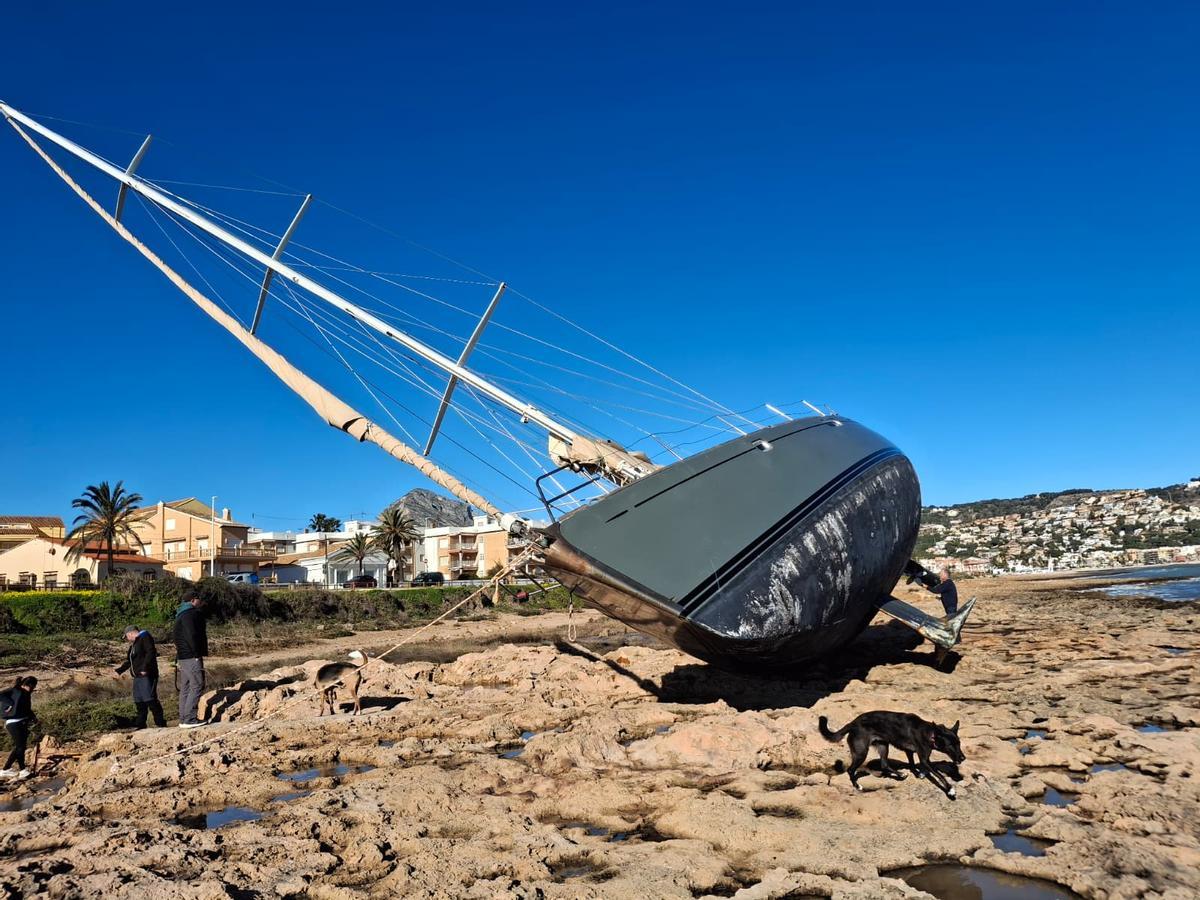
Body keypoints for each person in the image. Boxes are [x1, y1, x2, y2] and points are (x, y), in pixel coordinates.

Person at [115, 625, 166, 729]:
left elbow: (151, 652)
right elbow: (130, 661)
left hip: (146, 674)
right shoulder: (134, 645)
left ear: (130, 633)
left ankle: (160, 723)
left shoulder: (145, 637)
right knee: (139, 701)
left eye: (126, 637)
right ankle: (141, 724)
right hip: (137, 676)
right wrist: (119, 671)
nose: (127, 639)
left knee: (150, 699)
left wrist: (145, 668)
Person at [173, 595, 209, 729]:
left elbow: (177, 637)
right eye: (199, 599)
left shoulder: (180, 613)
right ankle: (189, 719)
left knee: (186, 687)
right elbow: (192, 634)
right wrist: (196, 653)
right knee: (197, 685)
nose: (201, 601)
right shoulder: (190, 614)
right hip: (191, 656)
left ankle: (183, 718)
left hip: (182, 656)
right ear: (193, 600)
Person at [0, 676, 38, 779]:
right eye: (32, 686)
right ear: (27, 684)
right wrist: (10, 704)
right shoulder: (16, 690)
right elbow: (1, 695)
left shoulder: (26, 694)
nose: (32, 689)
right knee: (20, 747)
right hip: (14, 723)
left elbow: (27, 709)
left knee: (20, 747)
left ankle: (6, 770)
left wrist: (33, 717)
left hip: (22, 722)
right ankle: (22, 770)